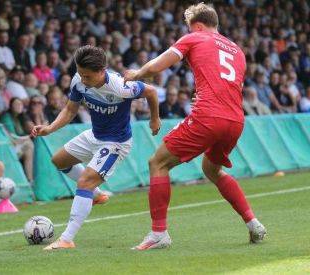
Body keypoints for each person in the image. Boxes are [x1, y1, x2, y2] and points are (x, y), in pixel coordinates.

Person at [124, 3, 266, 250]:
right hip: (235, 120)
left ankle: (159, 234)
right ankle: (253, 223)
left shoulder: (194, 37)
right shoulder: (237, 50)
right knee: (213, 170)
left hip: (208, 117)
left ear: (197, 26)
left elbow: (157, 66)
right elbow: (229, 86)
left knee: (157, 163)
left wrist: (136, 74)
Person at [31, 45, 160, 250]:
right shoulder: (78, 81)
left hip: (115, 143)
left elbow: (151, 91)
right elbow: (70, 109)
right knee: (59, 160)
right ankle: (97, 194)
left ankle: (67, 238)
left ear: (102, 71)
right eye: (80, 74)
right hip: (94, 135)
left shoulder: (120, 86)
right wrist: (49, 128)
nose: (83, 79)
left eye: (87, 76)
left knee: (84, 182)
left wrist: (155, 119)